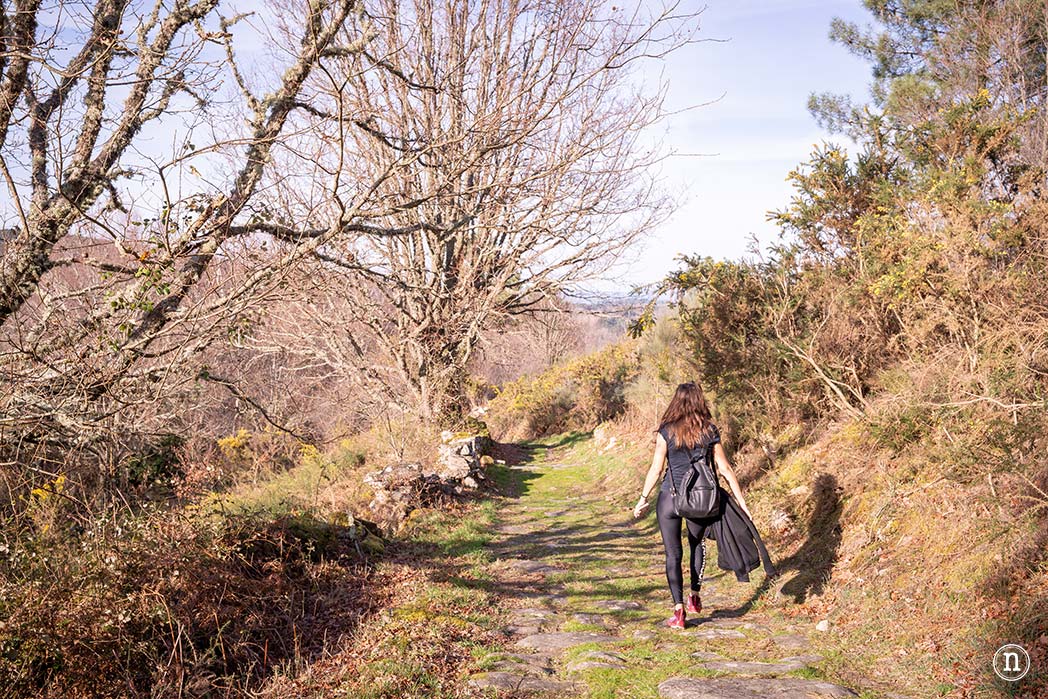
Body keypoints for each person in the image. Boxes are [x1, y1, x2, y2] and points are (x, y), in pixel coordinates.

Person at [632, 382, 753, 629]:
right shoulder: (709, 430)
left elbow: (656, 469)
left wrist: (643, 499)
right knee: (696, 544)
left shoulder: (666, 431)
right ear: (700, 401)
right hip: (700, 499)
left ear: (676, 402)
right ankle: (694, 594)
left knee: (672, 554)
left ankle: (678, 611)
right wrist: (742, 502)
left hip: (670, 498)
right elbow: (725, 469)